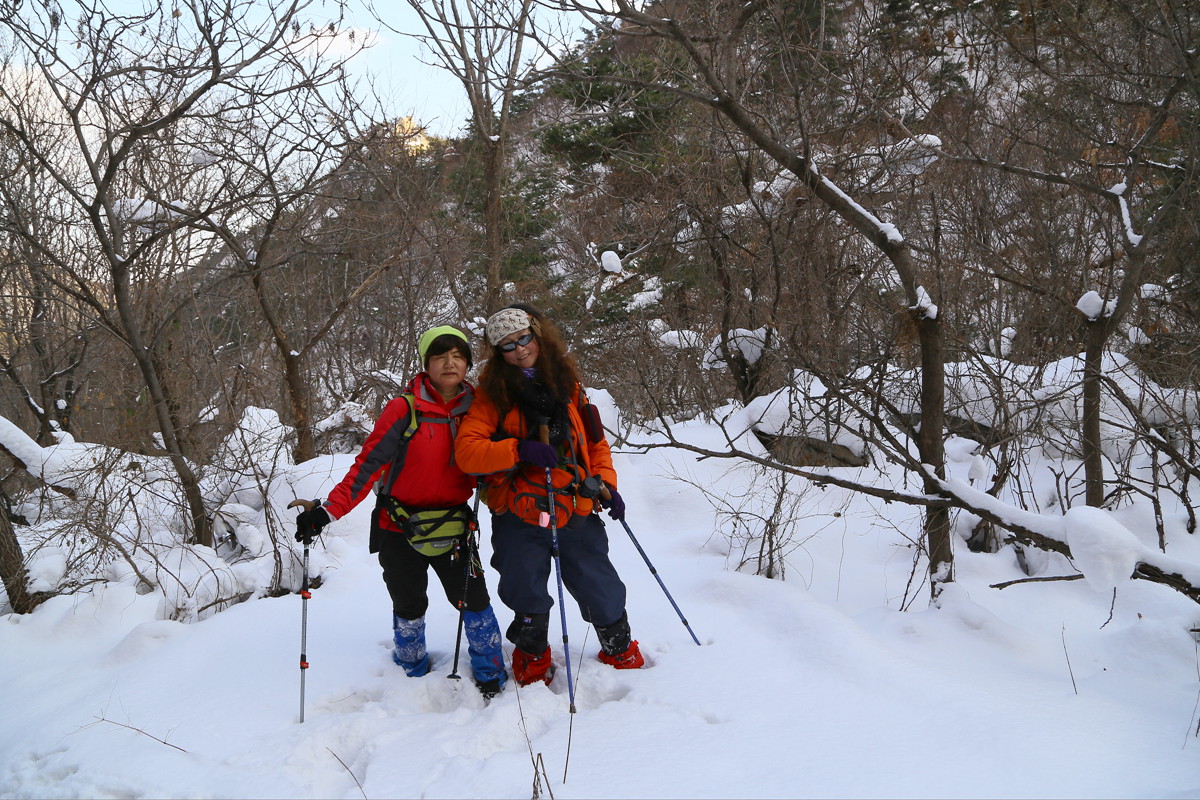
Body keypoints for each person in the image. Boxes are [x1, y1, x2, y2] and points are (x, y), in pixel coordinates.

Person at [293, 325, 508, 698]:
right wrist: (326, 513)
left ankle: (491, 673)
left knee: (474, 601)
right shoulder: (403, 409)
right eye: (440, 356)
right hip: (398, 526)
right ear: (426, 364)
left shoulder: (479, 408)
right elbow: (367, 467)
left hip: (455, 526)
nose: (450, 363)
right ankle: (410, 674)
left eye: (458, 356)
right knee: (409, 604)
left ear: (468, 363)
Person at [454, 304, 644, 688]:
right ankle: (533, 657)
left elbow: (595, 443)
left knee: (598, 582)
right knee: (523, 588)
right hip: (518, 510)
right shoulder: (492, 396)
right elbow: (467, 453)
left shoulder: (569, 386)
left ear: (537, 335)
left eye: (524, 338)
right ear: (499, 353)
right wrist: (518, 449)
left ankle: (619, 647)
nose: (519, 349)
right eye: (507, 346)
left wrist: (607, 484)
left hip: (575, 503)